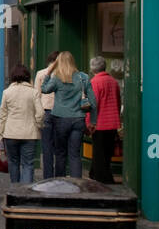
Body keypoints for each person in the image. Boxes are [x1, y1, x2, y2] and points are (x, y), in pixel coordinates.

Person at [40, 51, 97, 179]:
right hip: (78, 119)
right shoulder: (83, 77)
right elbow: (93, 102)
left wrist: (48, 74)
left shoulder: (57, 78)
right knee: (75, 154)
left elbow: (44, 89)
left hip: (60, 119)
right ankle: (77, 184)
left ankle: (60, 183)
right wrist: (93, 121)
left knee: (60, 153)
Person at [0, 64, 43, 184]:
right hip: (30, 134)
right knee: (28, 164)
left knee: (13, 163)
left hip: (10, 133)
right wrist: (38, 125)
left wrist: (1, 134)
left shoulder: (7, 92)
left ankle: (15, 190)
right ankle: (25, 193)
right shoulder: (33, 93)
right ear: (28, 77)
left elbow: (2, 115)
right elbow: (40, 113)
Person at [86, 56, 121, 184]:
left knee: (99, 153)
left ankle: (103, 180)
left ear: (92, 68)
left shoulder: (94, 82)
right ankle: (94, 174)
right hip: (112, 124)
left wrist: (88, 123)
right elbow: (118, 101)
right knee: (106, 154)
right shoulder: (113, 81)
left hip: (99, 124)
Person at [34, 51, 60, 180]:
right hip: (60, 112)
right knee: (60, 146)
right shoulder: (63, 74)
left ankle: (48, 176)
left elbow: (36, 95)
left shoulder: (40, 73)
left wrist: (37, 115)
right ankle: (59, 175)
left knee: (47, 146)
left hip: (45, 111)